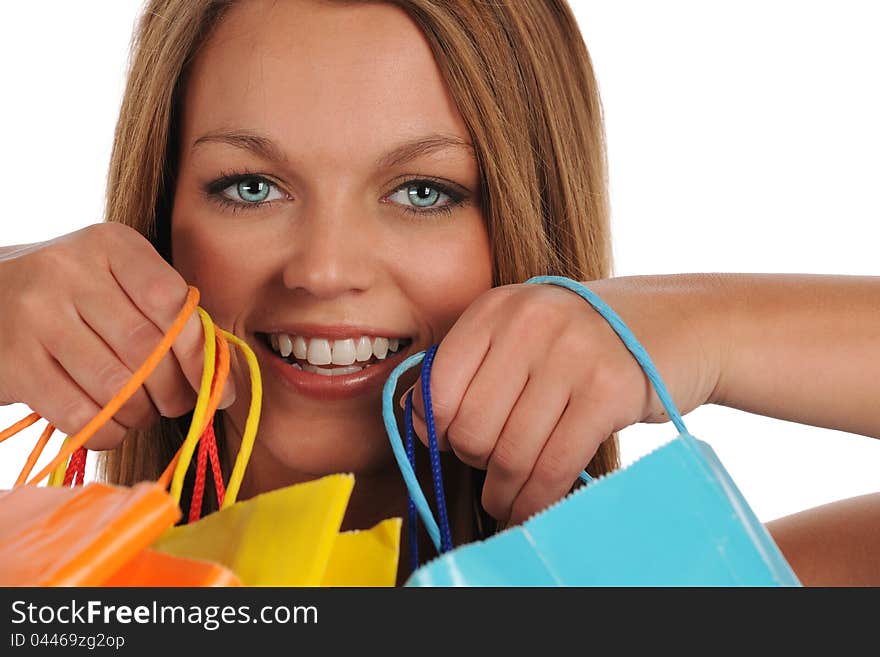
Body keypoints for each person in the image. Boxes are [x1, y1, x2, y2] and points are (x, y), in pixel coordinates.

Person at [0, 0, 877, 586]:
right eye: (250, 186)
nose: (323, 268)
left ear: (526, 231)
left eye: (424, 192)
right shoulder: (53, 611)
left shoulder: (653, 603)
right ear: (158, 221)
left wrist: (708, 329)